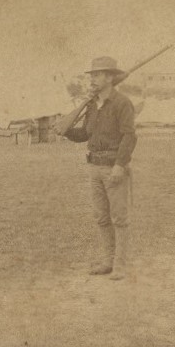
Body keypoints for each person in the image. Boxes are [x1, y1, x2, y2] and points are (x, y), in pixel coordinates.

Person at [59, 56, 137, 280]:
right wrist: (65, 131)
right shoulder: (92, 105)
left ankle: (121, 265)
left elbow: (130, 137)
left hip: (114, 168)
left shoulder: (122, 103)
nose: (92, 79)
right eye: (92, 75)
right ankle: (108, 261)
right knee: (101, 218)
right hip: (94, 167)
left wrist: (120, 166)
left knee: (119, 219)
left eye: (97, 75)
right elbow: (85, 134)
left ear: (110, 77)